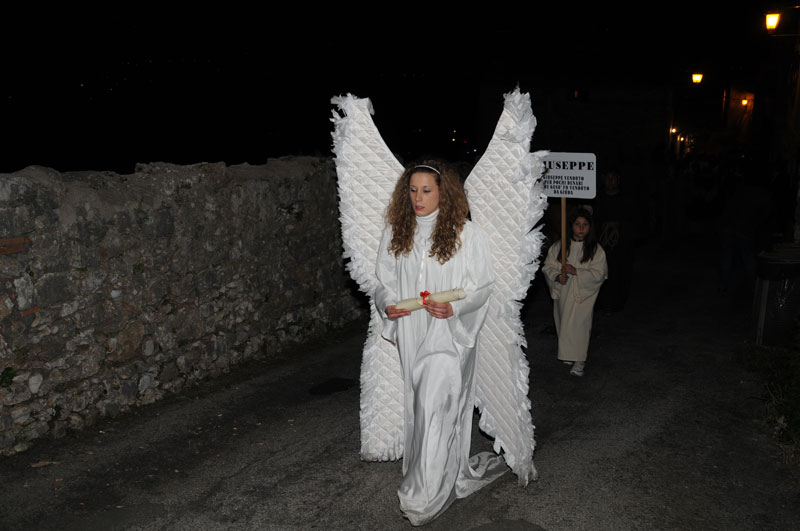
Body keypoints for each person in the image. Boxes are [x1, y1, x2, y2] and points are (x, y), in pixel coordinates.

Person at [375, 161, 506, 526]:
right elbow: (382, 279)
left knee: (435, 403)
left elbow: (482, 286)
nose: (418, 198)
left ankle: (424, 495)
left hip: (450, 335)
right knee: (421, 404)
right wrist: (386, 302)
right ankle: (434, 476)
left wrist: (455, 307)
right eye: (412, 190)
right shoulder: (396, 233)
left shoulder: (466, 234)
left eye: (426, 190)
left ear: (444, 191)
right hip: (412, 330)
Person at [542, 208, 608, 376]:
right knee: (564, 322)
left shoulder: (595, 250)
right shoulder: (560, 247)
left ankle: (580, 360)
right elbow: (548, 266)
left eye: (585, 225)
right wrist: (557, 277)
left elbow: (600, 273)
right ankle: (569, 354)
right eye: (577, 224)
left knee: (579, 325)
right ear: (571, 226)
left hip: (583, 296)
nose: (580, 228)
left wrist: (577, 272)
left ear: (590, 228)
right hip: (564, 293)